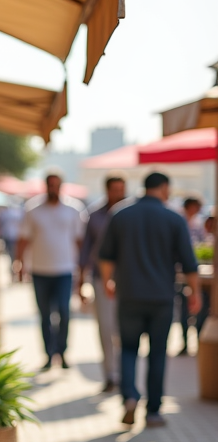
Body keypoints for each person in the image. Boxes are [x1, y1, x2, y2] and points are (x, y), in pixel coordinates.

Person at [98, 172, 200, 428]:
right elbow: (189, 263)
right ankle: (153, 411)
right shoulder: (174, 217)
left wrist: (109, 282)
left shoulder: (121, 214)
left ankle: (130, 396)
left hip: (129, 294)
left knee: (129, 349)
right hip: (161, 298)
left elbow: (105, 256)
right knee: (157, 353)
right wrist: (196, 293)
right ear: (164, 187)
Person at [16, 172, 87, 371]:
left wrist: (82, 271)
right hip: (39, 270)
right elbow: (24, 239)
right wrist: (19, 264)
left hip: (65, 270)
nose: (53, 188)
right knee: (44, 314)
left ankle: (62, 352)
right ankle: (48, 354)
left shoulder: (74, 209)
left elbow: (80, 242)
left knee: (64, 312)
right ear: (46, 186)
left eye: (57, 185)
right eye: (50, 185)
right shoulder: (33, 209)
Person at [77, 175, 126, 393]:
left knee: (124, 329)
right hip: (100, 279)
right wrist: (81, 280)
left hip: (126, 280)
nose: (118, 194)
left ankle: (126, 373)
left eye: (121, 189)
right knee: (106, 328)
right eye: (114, 189)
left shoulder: (130, 214)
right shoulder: (95, 216)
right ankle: (110, 375)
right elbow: (85, 250)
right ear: (107, 190)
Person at [176, 197, 206, 354]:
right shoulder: (178, 221)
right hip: (181, 273)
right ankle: (186, 343)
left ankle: (197, 342)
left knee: (195, 310)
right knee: (184, 311)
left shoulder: (197, 224)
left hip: (190, 271)